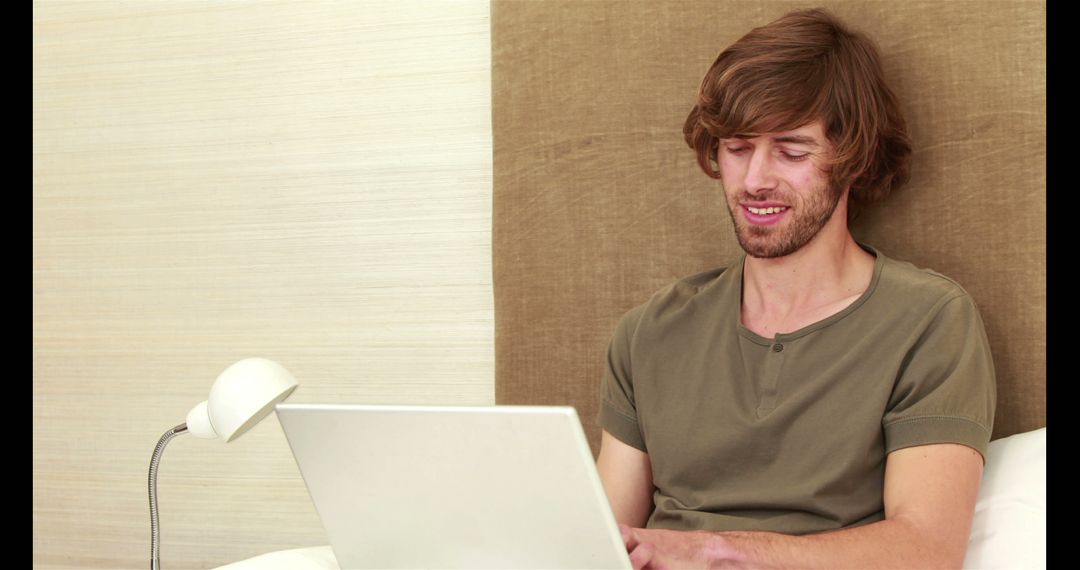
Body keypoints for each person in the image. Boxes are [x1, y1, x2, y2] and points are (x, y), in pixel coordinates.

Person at [595, 8, 996, 569]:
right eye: (737, 148)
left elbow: (926, 551)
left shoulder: (929, 321)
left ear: (851, 159)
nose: (756, 178)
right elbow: (599, 543)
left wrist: (712, 550)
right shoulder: (650, 332)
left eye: (791, 150)